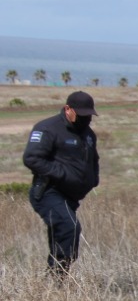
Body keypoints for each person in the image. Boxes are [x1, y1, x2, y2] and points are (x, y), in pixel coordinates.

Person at [23, 91, 102, 278]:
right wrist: (63, 174)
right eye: (82, 115)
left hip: (70, 197)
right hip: (48, 192)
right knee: (70, 228)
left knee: (61, 238)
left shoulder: (88, 134)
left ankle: (54, 282)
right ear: (68, 109)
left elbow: (94, 160)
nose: (86, 119)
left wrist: (93, 179)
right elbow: (32, 158)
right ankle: (57, 276)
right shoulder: (47, 129)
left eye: (89, 115)